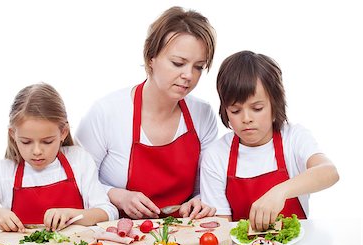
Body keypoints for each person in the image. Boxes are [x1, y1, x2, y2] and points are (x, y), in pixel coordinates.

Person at [76, 6, 218, 220]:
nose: (188, 75)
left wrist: (199, 201)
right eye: (178, 63)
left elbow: (205, 186)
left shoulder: (203, 114)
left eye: (198, 66)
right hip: (118, 238)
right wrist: (119, 196)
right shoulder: (107, 112)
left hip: (182, 232)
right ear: (151, 57)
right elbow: (76, 180)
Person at [0, 83, 118, 232]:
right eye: (26, 142)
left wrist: (72, 215)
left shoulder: (79, 160)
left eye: (47, 141)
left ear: (63, 132)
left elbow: (108, 212)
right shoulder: (4, 172)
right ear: (13, 134)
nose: (36, 151)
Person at [200, 50, 339, 231]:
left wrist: (279, 192)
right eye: (235, 110)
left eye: (257, 108)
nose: (246, 118)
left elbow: (329, 172)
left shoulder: (293, 138)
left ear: (275, 103)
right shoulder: (217, 155)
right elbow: (222, 229)